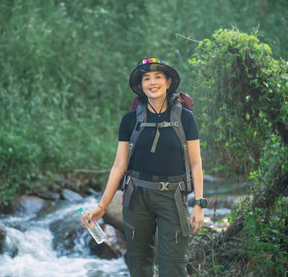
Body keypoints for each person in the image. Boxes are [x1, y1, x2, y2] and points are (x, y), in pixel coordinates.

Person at [87, 58, 205, 277]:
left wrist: (199, 203)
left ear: (169, 82)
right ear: (140, 86)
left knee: (173, 266)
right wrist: (102, 207)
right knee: (139, 265)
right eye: (146, 78)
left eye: (158, 77)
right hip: (137, 197)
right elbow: (119, 165)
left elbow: (196, 163)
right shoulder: (130, 120)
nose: (153, 82)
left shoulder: (186, 118)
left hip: (173, 198)